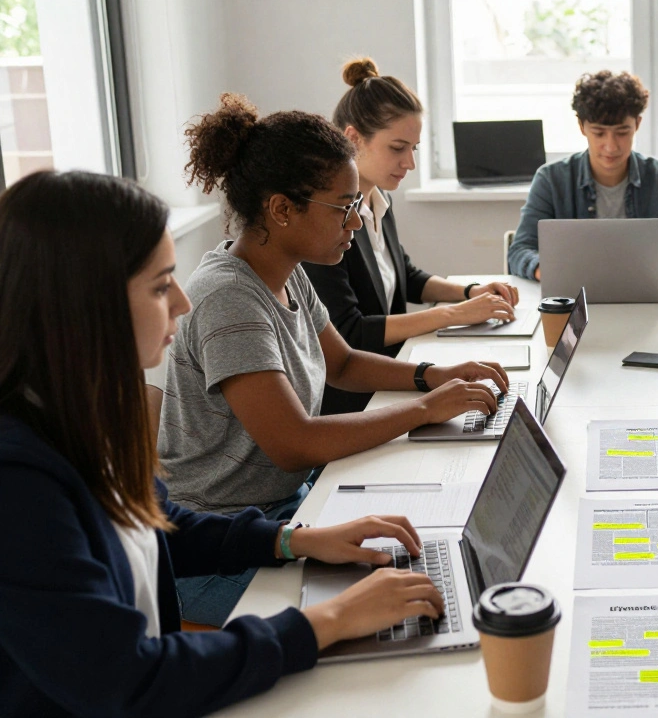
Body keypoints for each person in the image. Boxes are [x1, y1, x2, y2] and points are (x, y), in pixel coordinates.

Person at [0, 170, 446, 717]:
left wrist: (297, 541)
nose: (183, 302)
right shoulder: (17, 479)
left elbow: (164, 525)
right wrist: (326, 621)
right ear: (85, 301)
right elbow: (126, 678)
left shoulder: (83, 414)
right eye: (161, 285)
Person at [159, 93, 507, 626]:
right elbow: (295, 444)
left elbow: (343, 363)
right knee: (392, 602)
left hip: (286, 508)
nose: (357, 221)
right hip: (220, 547)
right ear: (282, 209)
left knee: (425, 540)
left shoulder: (285, 267)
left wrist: (433, 375)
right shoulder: (228, 297)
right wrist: (424, 408)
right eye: (343, 207)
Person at [304, 57, 520, 415]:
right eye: (397, 147)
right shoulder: (327, 220)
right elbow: (350, 333)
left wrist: (470, 292)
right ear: (353, 138)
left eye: (414, 148)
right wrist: (454, 313)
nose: (410, 163)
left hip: (395, 377)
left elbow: (405, 275)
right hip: (355, 401)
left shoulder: (378, 199)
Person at [507, 69, 658, 281]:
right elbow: (519, 251)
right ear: (582, 126)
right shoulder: (551, 180)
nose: (610, 146)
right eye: (599, 133)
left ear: (637, 124)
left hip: (648, 295)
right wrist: (548, 271)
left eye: (622, 132)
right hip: (574, 296)